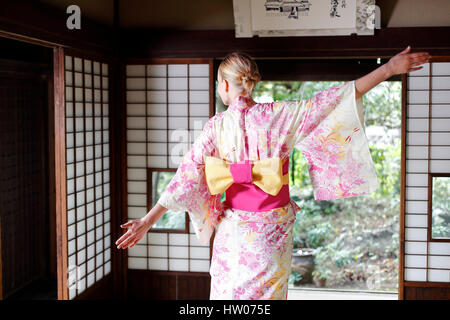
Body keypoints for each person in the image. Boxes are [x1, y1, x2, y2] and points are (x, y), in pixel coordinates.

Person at [115, 46, 430, 299]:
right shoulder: (282, 115)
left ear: (224, 85)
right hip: (271, 233)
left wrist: (148, 220)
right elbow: (333, 100)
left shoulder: (216, 127)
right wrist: (388, 69)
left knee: (227, 296)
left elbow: (185, 177)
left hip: (234, 232)